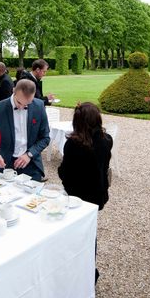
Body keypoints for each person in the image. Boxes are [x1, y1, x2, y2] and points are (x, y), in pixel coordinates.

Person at [58, 102, 113, 283]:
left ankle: (81, 270)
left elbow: (65, 172)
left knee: (77, 235)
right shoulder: (106, 140)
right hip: (96, 194)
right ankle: (88, 269)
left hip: (77, 196)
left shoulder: (73, 145)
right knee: (90, 233)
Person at [0, 79, 50, 181]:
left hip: (31, 163)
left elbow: (45, 138)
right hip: (7, 164)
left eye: (27, 104)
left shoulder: (39, 106)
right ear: (14, 91)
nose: (22, 107)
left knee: (33, 196)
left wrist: (29, 154)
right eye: (19, 103)